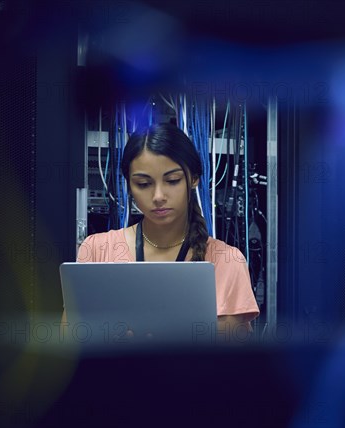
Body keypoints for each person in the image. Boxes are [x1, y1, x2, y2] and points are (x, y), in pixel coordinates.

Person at [69, 122, 259, 342]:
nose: (158, 196)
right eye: (143, 184)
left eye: (172, 180)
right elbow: (69, 339)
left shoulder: (227, 261)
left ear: (194, 178)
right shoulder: (96, 250)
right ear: (129, 186)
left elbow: (232, 363)